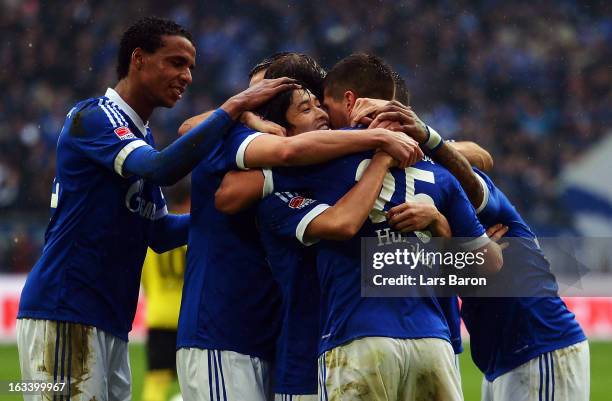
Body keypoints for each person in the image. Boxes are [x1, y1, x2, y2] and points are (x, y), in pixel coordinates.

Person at [16, 16, 297, 401]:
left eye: (191, 68)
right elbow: (160, 169)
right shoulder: (95, 117)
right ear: (138, 59)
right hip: (65, 311)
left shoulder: (140, 134)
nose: (187, 77)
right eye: (176, 63)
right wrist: (233, 109)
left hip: (107, 320)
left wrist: (231, 207)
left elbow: (159, 232)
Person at [218, 53, 503, 401]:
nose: (323, 115)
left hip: (356, 339)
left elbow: (231, 193)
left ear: (349, 100)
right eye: (309, 108)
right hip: (432, 342)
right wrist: (415, 146)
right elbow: (490, 265)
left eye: (321, 104)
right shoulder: (435, 167)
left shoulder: (320, 163)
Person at [175, 52, 422, 401]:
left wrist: (415, 141)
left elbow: (475, 157)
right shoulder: (238, 138)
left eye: (266, 95)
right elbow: (221, 180)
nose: (259, 106)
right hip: (225, 333)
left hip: (295, 342)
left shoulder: (334, 159)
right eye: (256, 96)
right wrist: (380, 145)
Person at [357, 100, 589, 401]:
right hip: (502, 358)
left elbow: (479, 160)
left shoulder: (467, 187)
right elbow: (464, 275)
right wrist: (445, 233)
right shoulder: (429, 198)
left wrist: (427, 140)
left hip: (538, 342)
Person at [141, 180, 190, 401]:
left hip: (159, 315)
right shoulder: (193, 233)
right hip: (188, 317)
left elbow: (145, 280)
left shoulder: (156, 236)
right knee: (193, 381)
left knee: (156, 381)